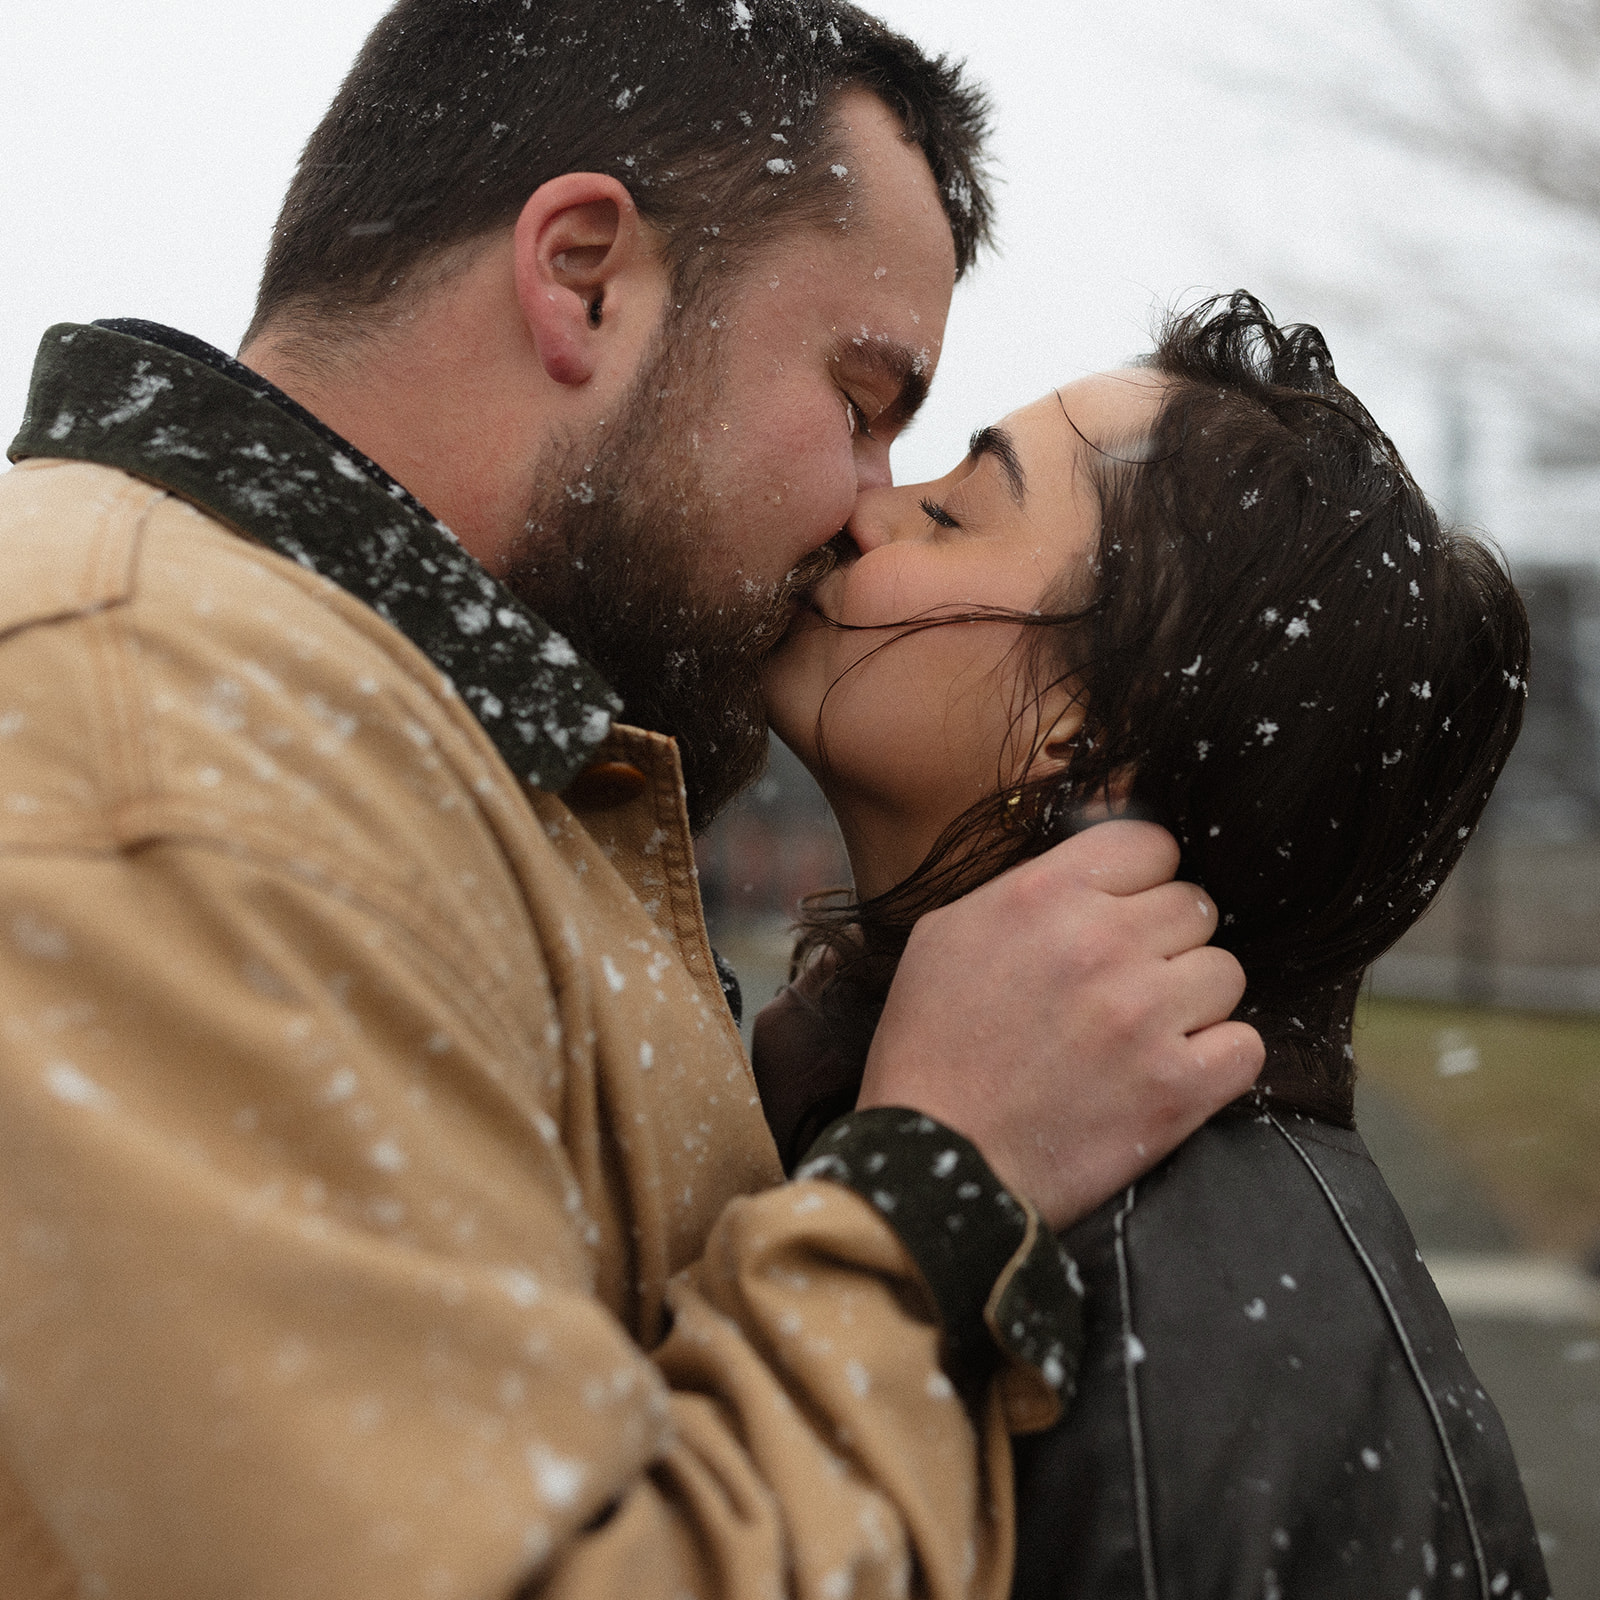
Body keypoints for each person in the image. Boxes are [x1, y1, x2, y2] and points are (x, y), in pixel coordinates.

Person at [0, 4, 1263, 1598]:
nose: (867, 512)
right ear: (584, 276)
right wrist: (937, 1185)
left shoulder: (390, 735)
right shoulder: (172, 755)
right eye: (863, 400)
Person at [757, 294, 1551, 1598]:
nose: (863, 505)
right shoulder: (1033, 1169)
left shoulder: (1160, 1324)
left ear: (1098, 743)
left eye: (953, 511)